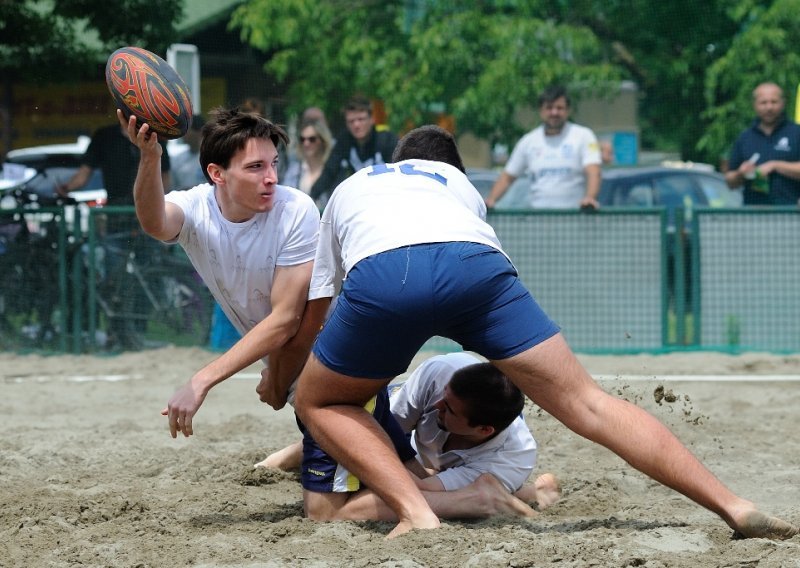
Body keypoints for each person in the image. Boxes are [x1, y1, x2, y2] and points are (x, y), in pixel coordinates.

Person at [276, 124, 797, 539]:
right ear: (450, 168)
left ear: (397, 158)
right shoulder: (458, 187)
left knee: (321, 402)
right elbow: (471, 255)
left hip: (389, 272)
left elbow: (318, 309)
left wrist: (283, 381)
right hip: (478, 266)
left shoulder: (355, 185)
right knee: (589, 402)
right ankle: (733, 504)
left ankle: (417, 511)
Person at [119, 106, 322, 436]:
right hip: (293, 365)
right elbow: (154, 223)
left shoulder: (296, 210)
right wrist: (151, 156)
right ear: (217, 174)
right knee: (329, 449)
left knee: (357, 464)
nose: (271, 176)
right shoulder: (196, 207)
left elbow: (287, 319)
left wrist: (201, 380)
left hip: (336, 359)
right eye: (256, 167)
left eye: (274, 164)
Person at [258, 352, 562, 520]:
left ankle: (522, 494)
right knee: (347, 431)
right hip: (405, 430)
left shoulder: (511, 458)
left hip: (456, 469)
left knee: (355, 504)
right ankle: (280, 459)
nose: (439, 406)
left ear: (483, 430)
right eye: (444, 397)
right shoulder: (444, 373)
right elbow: (380, 429)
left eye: (450, 409)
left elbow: (416, 487)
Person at [484, 85, 602, 210]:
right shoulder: (528, 141)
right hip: (540, 220)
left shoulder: (584, 136)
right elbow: (507, 177)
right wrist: (491, 200)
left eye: (559, 108)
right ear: (541, 111)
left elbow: (594, 171)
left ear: (568, 110)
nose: (554, 112)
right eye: (549, 108)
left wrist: (590, 197)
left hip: (574, 220)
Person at [309, 95, 398, 204]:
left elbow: (399, 171)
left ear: (371, 120)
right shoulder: (344, 141)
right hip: (359, 200)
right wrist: (312, 197)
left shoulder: (387, 140)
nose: (356, 125)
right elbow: (329, 171)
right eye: (351, 121)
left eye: (361, 119)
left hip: (387, 197)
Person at [724, 82, 800, 205]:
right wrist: (741, 173)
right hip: (755, 214)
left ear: (783, 103)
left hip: (790, 212)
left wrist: (775, 165)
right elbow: (729, 181)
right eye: (763, 102)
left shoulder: (796, 133)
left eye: (774, 102)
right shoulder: (745, 137)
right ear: (755, 105)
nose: (769, 107)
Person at [282, 119, 334, 196]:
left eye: (312, 139)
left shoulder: (333, 169)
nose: (306, 143)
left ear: (323, 141)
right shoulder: (294, 170)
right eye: (302, 139)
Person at [170, 114, 207, 191]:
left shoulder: (212, 158)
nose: (183, 134)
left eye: (186, 130)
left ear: (199, 132)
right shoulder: (177, 159)